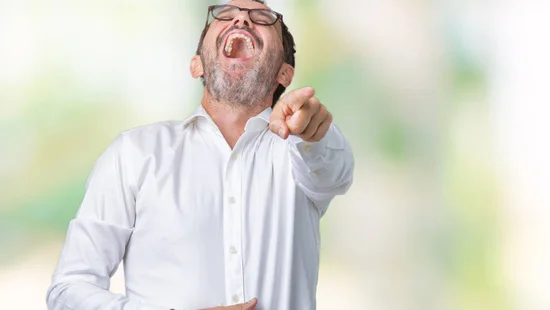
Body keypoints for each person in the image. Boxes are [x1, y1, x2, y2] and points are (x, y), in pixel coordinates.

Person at [46, 0, 354, 309]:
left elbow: (334, 172)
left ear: (284, 75)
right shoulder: (134, 154)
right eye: (225, 15)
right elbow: (69, 290)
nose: (243, 21)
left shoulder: (302, 149)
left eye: (261, 17)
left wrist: (313, 132)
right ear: (197, 65)